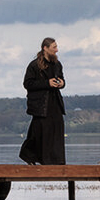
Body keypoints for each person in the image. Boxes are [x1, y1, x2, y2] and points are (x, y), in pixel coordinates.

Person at [19, 37, 65, 165]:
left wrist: (61, 83)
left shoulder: (57, 64)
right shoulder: (34, 65)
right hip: (40, 105)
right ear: (45, 48)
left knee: (56, 130)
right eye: (54, 47)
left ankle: (57, 161)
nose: (57, 50)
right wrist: (47, 83)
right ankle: (30, 156)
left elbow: (62, 79)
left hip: (55, 103)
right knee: (38, 133)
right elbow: (27, 83)